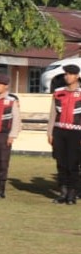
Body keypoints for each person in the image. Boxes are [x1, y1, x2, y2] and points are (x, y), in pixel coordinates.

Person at [47, 62, 81, 204]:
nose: (67, 77)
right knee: (61, 163)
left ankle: (72, 194)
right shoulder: (58, 92)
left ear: (77, 76)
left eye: (70, 74)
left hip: (76, 132)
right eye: (66, 74)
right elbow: (52, 113)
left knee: (73, 164)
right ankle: (63, 192)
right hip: (60, 131)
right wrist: (50, 132)